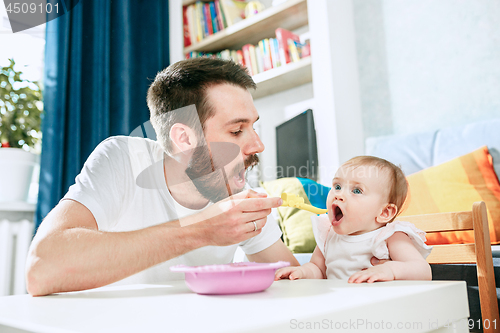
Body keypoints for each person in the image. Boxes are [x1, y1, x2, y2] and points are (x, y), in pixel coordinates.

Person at [26, 57, 299, 296]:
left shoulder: (231, 186)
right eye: (237, 131)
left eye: (253, 127)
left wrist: (332, 254)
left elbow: (293, 280)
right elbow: (41, 269)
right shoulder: (123, 158)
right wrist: (203, 230)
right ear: (184, 138)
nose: (258, 145)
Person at [275, 156, 432, 283]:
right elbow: (318, 269)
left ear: (384, 212)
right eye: (337, 186)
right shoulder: (327, 234)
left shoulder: (389, 236)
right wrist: (302, 271)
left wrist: (390, 270)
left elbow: (422, 270)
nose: (339, 194)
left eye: (356, 190)